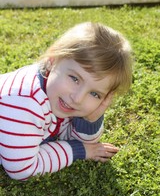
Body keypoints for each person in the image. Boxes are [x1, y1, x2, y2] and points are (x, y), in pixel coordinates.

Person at [0, 22, 132, 181]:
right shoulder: (23, 104)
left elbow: (67, 135)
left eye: (95, 94)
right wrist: (80, 151)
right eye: (75, 78)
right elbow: (23, 170)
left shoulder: (56, 91)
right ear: (52, 60)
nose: (77, 99)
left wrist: (91, 118)